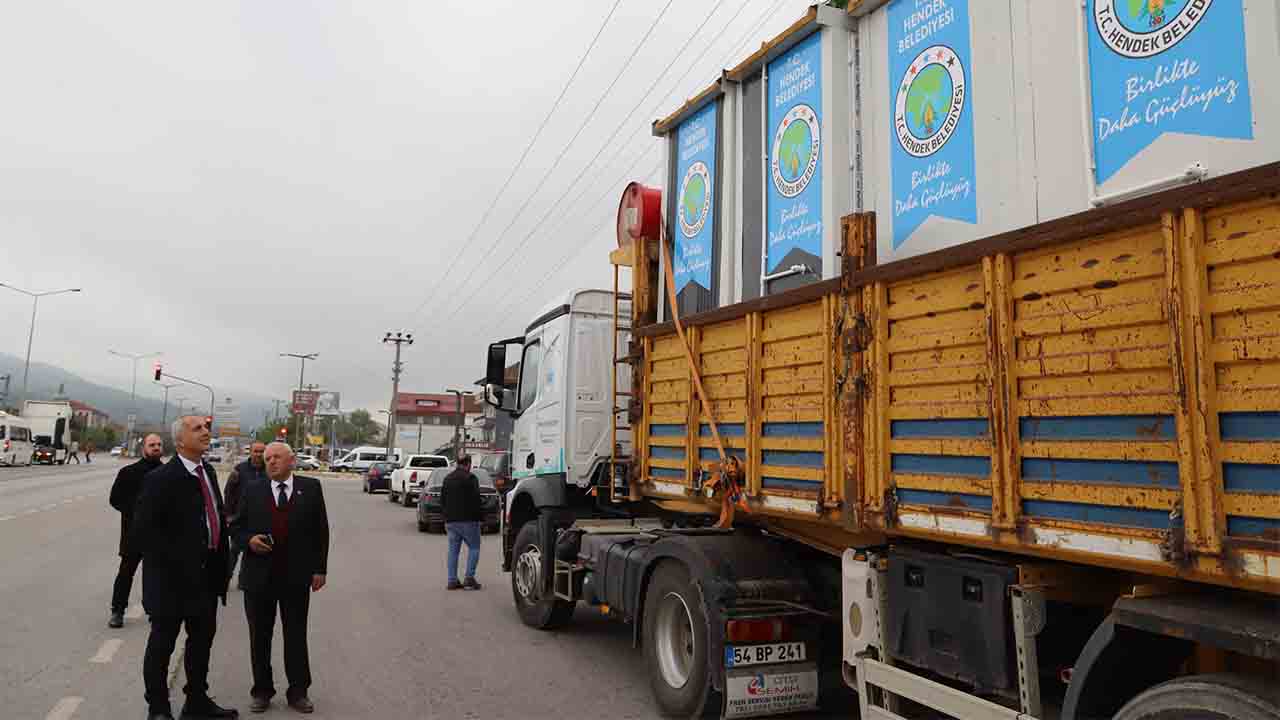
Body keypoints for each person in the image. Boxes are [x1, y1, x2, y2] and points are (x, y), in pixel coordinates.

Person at [130, 416, 237, 720]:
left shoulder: (208, 472)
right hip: (170, 583)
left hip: (206, 580)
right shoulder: (161, 479)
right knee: (162, 647)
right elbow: (142, 533)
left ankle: (197, 702)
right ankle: (159, 709)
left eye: (206, 428)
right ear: (179, 441)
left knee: (201, 643)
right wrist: (178, 557)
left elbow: (213, 517)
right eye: (197, 429)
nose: (206, 432)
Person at [232, 442, 329, 714]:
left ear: (291, 461)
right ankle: (262, 690)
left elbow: (321, 531)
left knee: (296, 635)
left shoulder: (310, 488)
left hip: (296, 578)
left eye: (277, 457)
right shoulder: (253, 489)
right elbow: (236, 526)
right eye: (267, 459)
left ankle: (298, 691)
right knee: (259, 636)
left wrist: (319, 569)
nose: (271, 462)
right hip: (258, 578)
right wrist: (248, 540)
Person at [107, 433, 164, 628]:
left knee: (157, 575)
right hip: (133, 533)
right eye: (152, 445)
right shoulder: (128, 472)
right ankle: (117, 610)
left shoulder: (167, 473)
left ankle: (155, 610)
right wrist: (136, 510)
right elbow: (115, 499)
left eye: (158, 444)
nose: (156, 447)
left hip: (158, 535)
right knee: (126, 573)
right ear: (144, 449)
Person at [224, 442, 268, 588]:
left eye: (262, 451)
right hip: (239, 517)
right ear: (251, 452)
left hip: (259, 518)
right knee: (234, 550)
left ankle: (243, 581)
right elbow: (229, 492)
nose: (259, 454)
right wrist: (229, 514)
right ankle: (225, 578)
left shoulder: (269, 470)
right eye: (256, 451)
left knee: (251, 550)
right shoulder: (239, 470)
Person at [440, 455, 483, 591]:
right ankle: (469, 579)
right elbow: (476, 500)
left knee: (453, 551)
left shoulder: (447, 479)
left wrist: (446, 517)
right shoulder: (471, 478)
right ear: (468, 464)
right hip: (469, 520)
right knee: (474, 547)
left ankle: (452, 580)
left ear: (457, 463)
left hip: (451, 521)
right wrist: (481, 518)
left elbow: (443, 500)